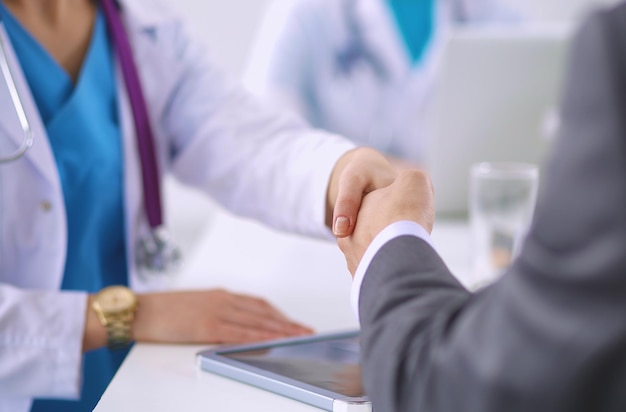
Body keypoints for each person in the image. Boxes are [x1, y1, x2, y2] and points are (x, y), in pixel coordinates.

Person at [0, 0, 399, 410]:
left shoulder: (142, 26)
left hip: (130, 380)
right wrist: (124, 315)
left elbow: (244, 140)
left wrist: (340, 173)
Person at [337, 2, 626, 411]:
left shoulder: (613, 48)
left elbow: (468, 388)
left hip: (401, 211)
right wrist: (338, 169)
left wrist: (389, 240)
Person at [243, 0, 519, 165]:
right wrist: (355, 169)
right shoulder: (306, 10)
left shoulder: (486, 9)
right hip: (341, 231)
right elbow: (263, 137)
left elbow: (535, 95)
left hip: (457, 224)